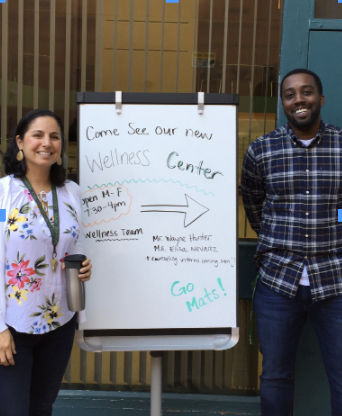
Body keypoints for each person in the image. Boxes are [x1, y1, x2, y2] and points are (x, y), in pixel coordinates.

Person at [241, 69, 342, 416]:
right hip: (277, 284)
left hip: (335, 280)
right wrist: (276, 234)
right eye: (290, 94)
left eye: (307, 92)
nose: (299, 99)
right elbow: (255, 205)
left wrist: (337, 223)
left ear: (320, 99)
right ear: (283, 103)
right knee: (275, 377)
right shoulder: (262, 150)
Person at [0, 109, 93, 416]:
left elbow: (76, 242)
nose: (46, 143)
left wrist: (84, 265)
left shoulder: (71, 193)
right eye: (37, 135)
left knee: (41, 408)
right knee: (13, 410)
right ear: (20, 143)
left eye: (54, 136)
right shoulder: (3, 195)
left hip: (59, 322)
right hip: (14, 325)